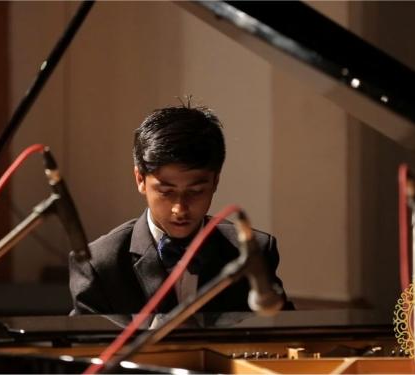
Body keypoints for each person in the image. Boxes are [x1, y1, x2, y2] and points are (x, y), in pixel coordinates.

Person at [69, 104, 292, 315]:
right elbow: (86, 349)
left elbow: (283, 335)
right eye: (166, 191)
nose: (180, 208)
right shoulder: (100, 264)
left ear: (215, 181)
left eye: (195, 191)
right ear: (140, 180)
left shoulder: (254, 254)